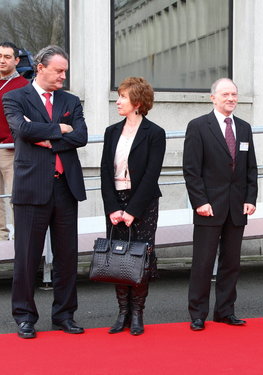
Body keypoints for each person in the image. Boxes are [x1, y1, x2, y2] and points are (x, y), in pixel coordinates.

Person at [2, 45, 87, 339]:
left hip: (65, 188)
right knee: (27, 257)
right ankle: (25, 317)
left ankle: (64, 315)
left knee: (67, 257)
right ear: (41, 68)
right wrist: (59, 129)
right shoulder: (14, 97)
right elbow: (21, 131)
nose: (63, 76)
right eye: (58, 71)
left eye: (65, 71)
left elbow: (81, 136)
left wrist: (47, 134)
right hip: (31, 188)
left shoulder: (71, 100)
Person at [183, 78, 258, 331]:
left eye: (234, 94)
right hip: (209, 207)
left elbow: (251, 168)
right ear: (212, 97)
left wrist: (250, 198)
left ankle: (226, 311)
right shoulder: (198, 126)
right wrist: (200, 202)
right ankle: (197, 314)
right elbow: (191, 170)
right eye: (225, 94)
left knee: (231, 263)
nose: (231, 99)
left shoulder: (245, 128)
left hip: (237, 206)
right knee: (203, 263)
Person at [100, 77, 165, 336]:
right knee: (117, 257)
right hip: (116, 203)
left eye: (123, 97)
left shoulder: (155, 133)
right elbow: (105, 172)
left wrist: (132, 211)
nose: (118, 101)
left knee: (140, 258)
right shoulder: (111, 131)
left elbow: (151, 175)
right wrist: (113, 208)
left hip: (143, 204)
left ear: (137, 102)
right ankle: (122, 312)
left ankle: (137, 313)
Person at [0, 42, 29, 240]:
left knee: (15, 197)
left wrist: (14, 140)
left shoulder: (24, 87)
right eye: (0, 56)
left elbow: (28, 118)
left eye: (7, 57)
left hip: (10, 149)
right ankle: (1, 237)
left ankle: (22, 240)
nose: (2, 60)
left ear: (17, 60)